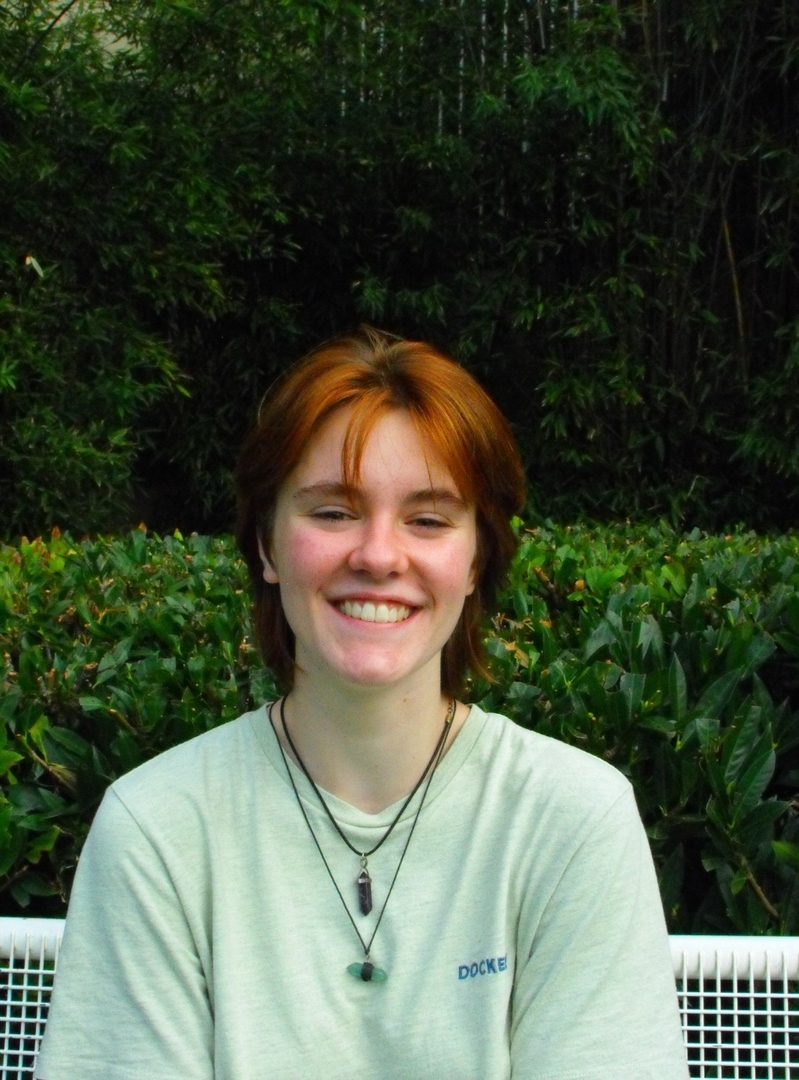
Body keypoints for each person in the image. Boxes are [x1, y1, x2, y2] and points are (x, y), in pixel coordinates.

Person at [36, 329, 690, 1080]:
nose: (379, 555)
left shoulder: (573, 823)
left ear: (476, 559)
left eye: (428, 519)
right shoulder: (158, 830)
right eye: (333, 512)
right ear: (267, 545)